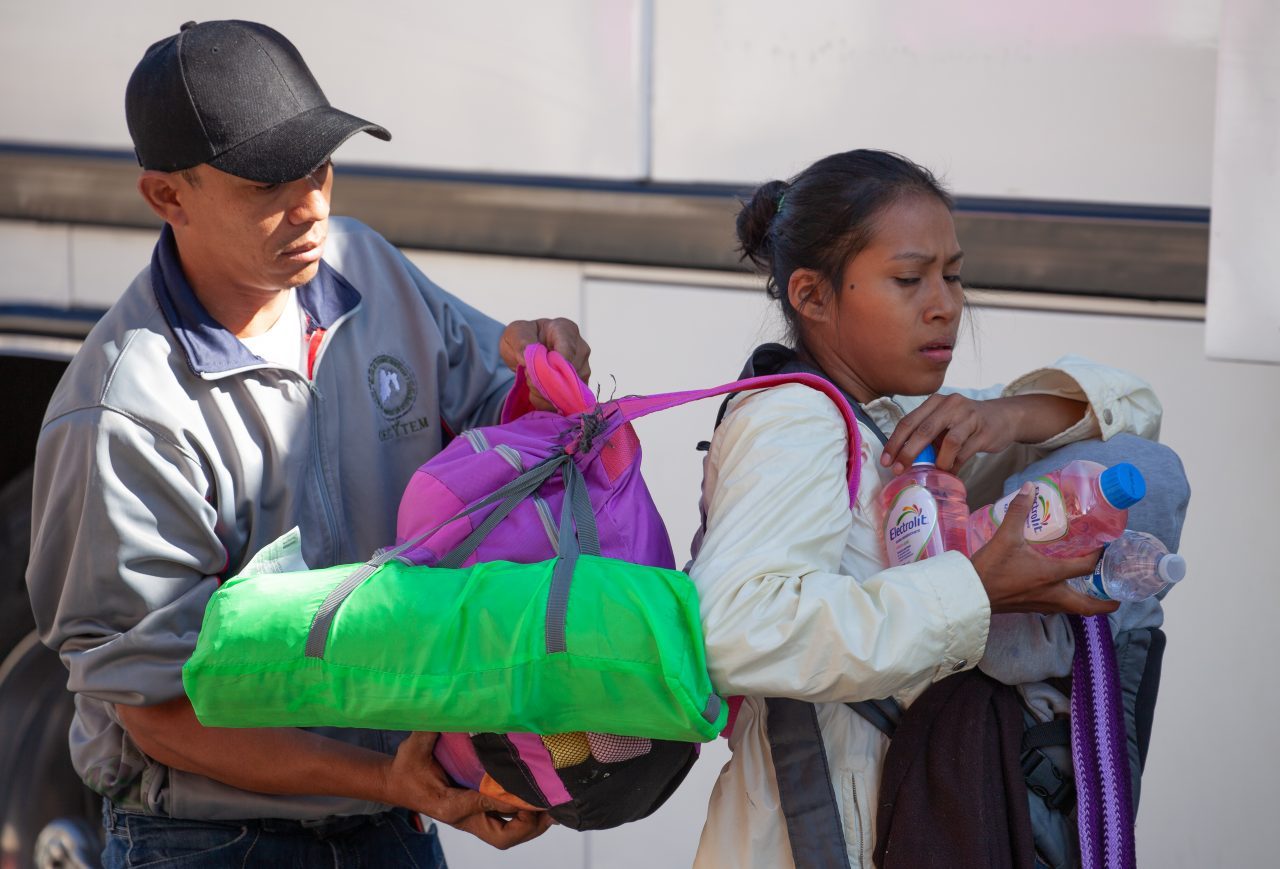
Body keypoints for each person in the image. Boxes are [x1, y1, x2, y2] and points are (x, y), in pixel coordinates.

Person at [25, 19, 586, 867]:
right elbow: (157, 712)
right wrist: (385, 776)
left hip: (391, 818)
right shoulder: (122, 414)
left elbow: (494, 428)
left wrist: (538, 374)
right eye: (266, 184)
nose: (312, 205)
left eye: (321, 167)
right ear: (167, 197)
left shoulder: (371, 269)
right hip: (210, 841)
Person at [687, 149, 1163, 868]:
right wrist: (976, 590)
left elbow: (1137, 414)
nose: (945, 303)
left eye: (954, 273)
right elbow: (734, 628)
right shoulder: (795, 421)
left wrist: (1010, 415)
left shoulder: (901, 415)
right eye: (909, 279)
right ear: (813, 297)